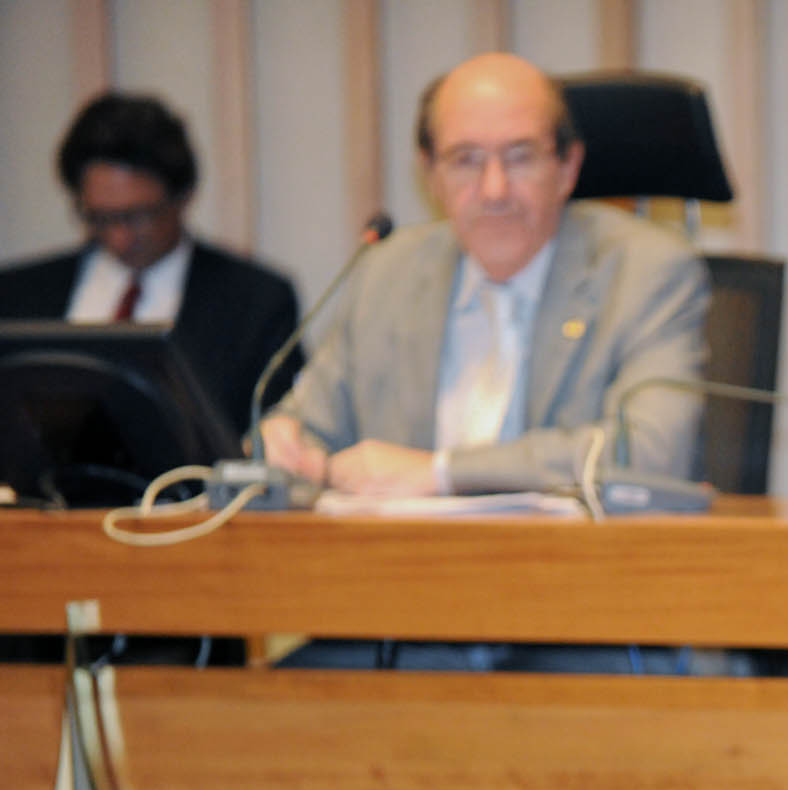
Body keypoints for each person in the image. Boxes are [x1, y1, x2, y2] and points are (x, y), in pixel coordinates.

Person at [260, 51, 707, 498]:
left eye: (520, 157)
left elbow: (651, 452)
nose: (495, 190)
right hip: (400, 544)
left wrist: (441, 474)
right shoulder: (387, 272)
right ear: (431, 174)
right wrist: (288, 445)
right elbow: (308, 426)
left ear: (567, 167)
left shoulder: (647, 273)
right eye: (466, 160)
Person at [0, 91, 303, 435]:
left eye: (138, 216)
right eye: (99, 218)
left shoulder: (256, 302)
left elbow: (276, 433)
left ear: (183, 196)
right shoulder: (16, 296)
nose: (119, 238)